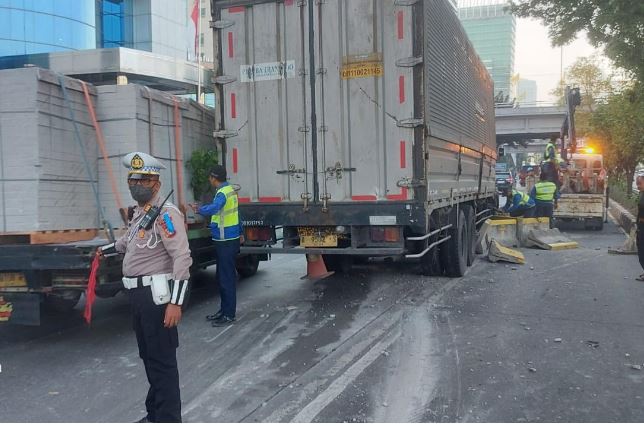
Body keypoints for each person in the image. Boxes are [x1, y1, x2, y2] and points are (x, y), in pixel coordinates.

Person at [100, 152, 192, 423]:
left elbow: (182, 257)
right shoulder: (141, 214)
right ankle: (155, 414)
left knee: (162, 362)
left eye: (143, 179)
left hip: (157, 298)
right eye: (133, 178)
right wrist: (101, 252)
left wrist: (176, 303)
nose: (136, 184)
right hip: (139, 297)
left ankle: (168, 418)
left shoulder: (166, 215)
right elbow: (126, 245)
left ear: (156, 184)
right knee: (149, 358)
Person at [191, 165, 242, 327]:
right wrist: (241, 232)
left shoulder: (222, 194)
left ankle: (229, 314)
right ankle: (224, 310)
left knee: (226, 278)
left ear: (214, 178)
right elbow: (237, 214)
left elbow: (215, 208)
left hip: (225, 240)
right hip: (228, 239)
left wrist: (199, 209)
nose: (209, 179)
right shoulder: (230, 191)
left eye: (210, 177)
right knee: (222, 276)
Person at [636, 175, 644, 281]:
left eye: (640, 183)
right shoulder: (641, 194)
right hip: (641, 225)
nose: (638, 186)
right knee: (641, 248)